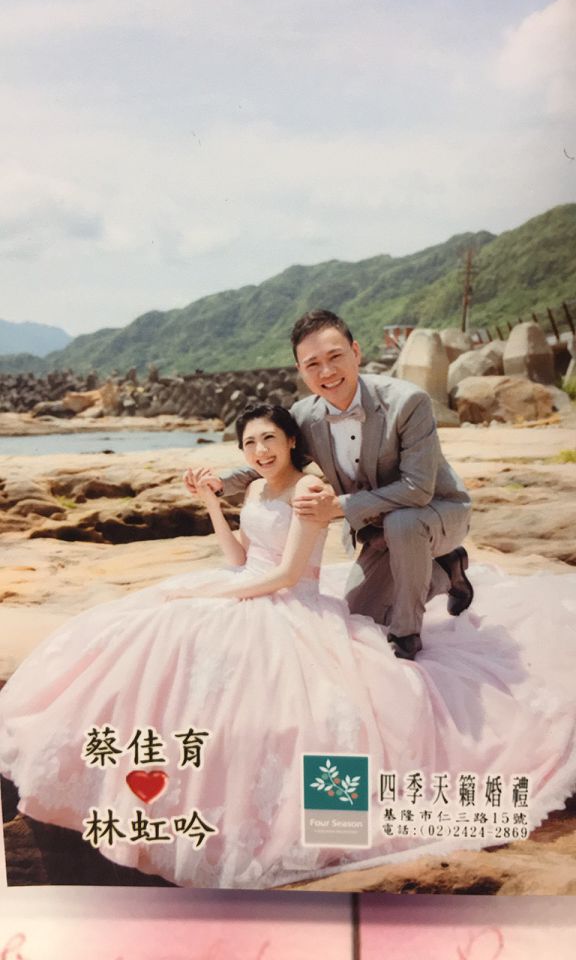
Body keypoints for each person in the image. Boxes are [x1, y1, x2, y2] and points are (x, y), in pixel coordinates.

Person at [0, 403, 575, 890]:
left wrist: (212, 595)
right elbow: (239, 558)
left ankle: (315, 822)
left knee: (297, 704)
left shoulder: (310, 489)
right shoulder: (253, 488)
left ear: (291, 440)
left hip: (291, 604)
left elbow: (287, 574)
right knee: (146, 633)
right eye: (250, 443)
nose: (260, 451)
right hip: (246, 586)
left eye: (269, 439)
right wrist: (212, 506)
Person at [186, 309, 473, 661]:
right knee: (361, 617)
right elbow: (276, 460)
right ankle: (447, 570)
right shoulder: (305, 415)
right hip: (376, 530)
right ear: (300, 370)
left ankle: (407, 634)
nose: (326, 372)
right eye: (313, 364)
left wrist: (338, 507)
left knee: (404, 523)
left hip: (433, 512)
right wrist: (221, 483)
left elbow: (417, 488)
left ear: (356, 352)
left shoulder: (408, 402)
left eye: (335, 356)